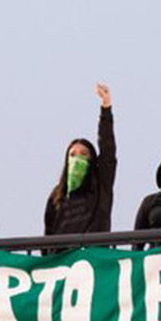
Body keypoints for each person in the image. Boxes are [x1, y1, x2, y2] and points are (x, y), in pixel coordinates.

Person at [44, 84, 117, 236]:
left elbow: (107, 149)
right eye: (73, 155)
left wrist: (106, 108)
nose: (77, 159)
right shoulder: (57, 195)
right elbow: (48, 234)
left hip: (93, 256)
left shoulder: (100, 184)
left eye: (83, 154)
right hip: (63, 258)